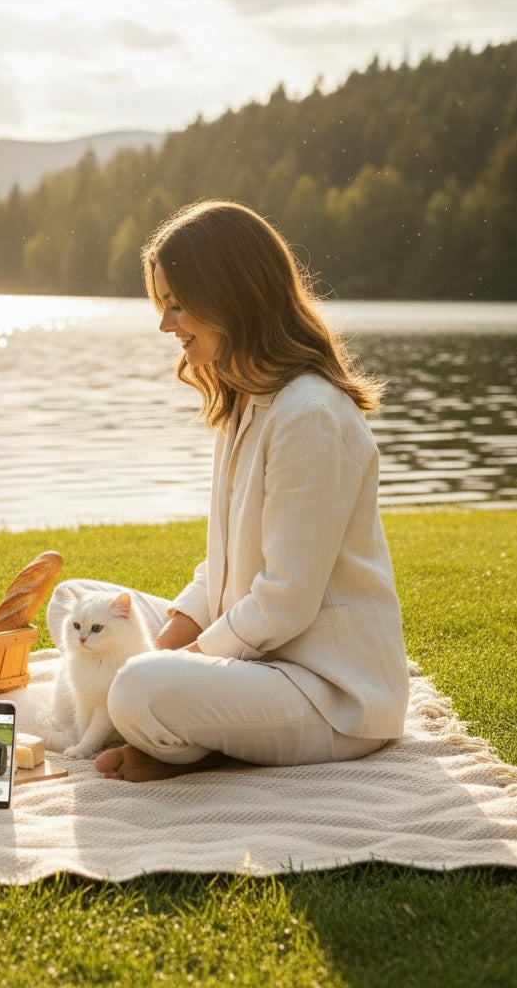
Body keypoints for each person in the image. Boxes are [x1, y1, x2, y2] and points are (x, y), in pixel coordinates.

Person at [45, 200, 409, 782]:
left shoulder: (308, 415)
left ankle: (189, 744)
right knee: (76, 597)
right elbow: (222, 568)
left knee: (137, 685)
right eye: (163, 305)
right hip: (256, 664)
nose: (166, 325)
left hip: (326, 693)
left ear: (231, 297)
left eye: (177, 305)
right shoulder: (244, 403)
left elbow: (285, 599)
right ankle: (185, 729)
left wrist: (177, 663)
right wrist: (165, 642)